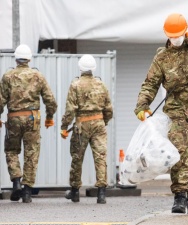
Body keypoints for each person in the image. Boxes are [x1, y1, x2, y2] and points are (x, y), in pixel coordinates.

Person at [134, 13, 188, 214]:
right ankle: (179, 197)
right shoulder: (162, 57)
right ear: (167, 36)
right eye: (172, 36)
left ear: (185, 31)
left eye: (179, 34)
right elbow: (150, 84)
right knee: (180, 153)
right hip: (176, 112)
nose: (176, 39)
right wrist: (142, 106)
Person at [0, 44, 58, 203]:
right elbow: (51, 101)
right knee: (31, 153)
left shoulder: (8, 76)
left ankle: (16, 181)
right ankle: (26, 192)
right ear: (30, 58)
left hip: (13, 118)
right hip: (33, 119)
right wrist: (49, 117)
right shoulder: (38, 76)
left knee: (11, 150)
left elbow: (0, 100)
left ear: (16, 58)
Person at [60, 54, 113, 204]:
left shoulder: (75, 85)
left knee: (77, 158)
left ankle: (75, 192)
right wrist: (104, 122)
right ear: (93, 68)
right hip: (98, 124)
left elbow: (70, 109)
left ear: (80, 68)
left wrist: (64, 127)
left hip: (81, 125)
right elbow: (109, 109)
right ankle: (101, 193)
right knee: (100, 157)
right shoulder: (101, 85)